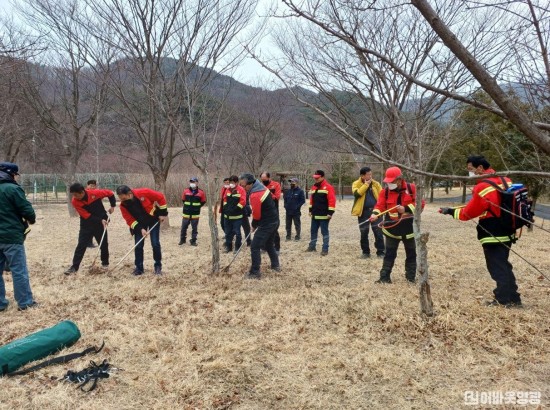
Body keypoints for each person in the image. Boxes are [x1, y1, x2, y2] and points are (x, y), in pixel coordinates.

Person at [439, 155, 522, 308]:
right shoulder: (505, 179)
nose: (469, 172)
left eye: (470, 169)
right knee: (503, 264)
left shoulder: (483, 187)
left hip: (492, 231)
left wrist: (450, 212)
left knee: (497, 267)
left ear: (480, 168)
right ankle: (514, 297)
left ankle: (503, 299)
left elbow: (468, 213)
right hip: (508, 228)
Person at [369, 166, 423, 284]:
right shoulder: (385, 192)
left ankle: (410, 278)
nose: (389, 184)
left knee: (411, 254)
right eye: (388, 182)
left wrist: (406, 209)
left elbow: (421, 204)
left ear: (399, 179)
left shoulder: (412, 188)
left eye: (392, 181)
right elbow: (380, 206)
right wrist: (375, 215)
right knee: (389, 254)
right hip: (392, 229)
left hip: (409, 229)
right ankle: (384, 278)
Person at [0, 162, 38, 311]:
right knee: (18, 270)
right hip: (11, 237)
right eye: (16, 175)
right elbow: (27, 210)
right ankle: (25, 302)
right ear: (10, 174)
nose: (16, 178)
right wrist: (31, 219)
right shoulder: (12, 189)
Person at [64, 183, 116, 275]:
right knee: (81, 245)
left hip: (101, 223)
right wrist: (100, 220)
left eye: (76, 194)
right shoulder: (75, 201)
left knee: (103, 244)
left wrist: (112, 206)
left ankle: (105, 264)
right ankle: (74, 267)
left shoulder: (95, 193)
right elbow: (86, 216)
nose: (74, 197)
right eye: (73, 195)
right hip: (86, 224)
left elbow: (110, 193)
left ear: (82, 192)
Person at [116, 185, 168, 275]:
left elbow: (160, 197)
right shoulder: (123, 206)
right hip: (139, 224)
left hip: (153, 219)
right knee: (138, 245)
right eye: (120, 199)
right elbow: (129, 220)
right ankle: (139, 268)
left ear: (129, 194)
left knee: (155, 243)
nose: (122, 201)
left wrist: (163, 213)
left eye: (124, 198)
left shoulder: (144, 192)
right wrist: (140, 229)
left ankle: (158, 267)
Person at [239, 173, 280, 279]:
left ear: (250, 183)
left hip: (267, 223)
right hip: (274, 220)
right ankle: (275, 266)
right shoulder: (261, 187)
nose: (242, 188)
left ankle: (255, 272)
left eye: (243, 186)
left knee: (255, 246)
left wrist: (254, 224)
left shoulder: (255, 194)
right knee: (269, 244)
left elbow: (256, 213)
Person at [351, 167, 385, 258]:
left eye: (371, 174)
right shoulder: (356, 184)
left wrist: (379, 211)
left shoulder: (376, 184)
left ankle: (381, 252)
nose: (370, 176)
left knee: (378, 232)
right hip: (363, 213)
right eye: (368, 174)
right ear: (362, 175)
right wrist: (365, 185)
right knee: (364, 233)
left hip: (376, 212)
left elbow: (382, 196)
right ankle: (366, 252)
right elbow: (357, 194)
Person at [306, 170, 336, 256]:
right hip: (315, 214)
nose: (316, 179)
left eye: (317, 178)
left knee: (324, 232)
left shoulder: (328, 187)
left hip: (324, 215)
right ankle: (312, 247)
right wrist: (310, 210)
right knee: (313, 231)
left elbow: (332, 201)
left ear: (322, 177)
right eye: (315, 178)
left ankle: (325, 249)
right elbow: (312, 200)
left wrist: (330, 213)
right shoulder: (314, 187)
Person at [179, 177, 206, 246]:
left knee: (194, 228)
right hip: (186, 213)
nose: (192, 183)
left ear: (197, 183)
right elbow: (183, 200)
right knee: (183, 227)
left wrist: (197, 207)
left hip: (195, 214)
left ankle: (193, 241)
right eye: (191, 182)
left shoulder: (201, 192)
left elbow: (203, 202)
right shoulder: (186, 191)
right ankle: (182, 240)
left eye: (193, 182)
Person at [222, 175, 246, 253]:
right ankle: (228, 247)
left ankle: (237, 247)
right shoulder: (227, 189)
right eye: (230, 182)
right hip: (227, 216)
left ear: (237, 182)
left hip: (237, 216)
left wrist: (236, 209)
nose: (231, 184)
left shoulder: (241, 190)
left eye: (232, 182)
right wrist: (225, 206)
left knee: (237, 232)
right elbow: (225, 198)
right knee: (227, 233)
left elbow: (243, 201)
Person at [260, 172, 282, 253]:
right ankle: (263, 247)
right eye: (262, 180)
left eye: (265, 180)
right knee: (262, 228)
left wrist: (267, 192)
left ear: (269, 178)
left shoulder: (276, 185)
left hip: (273, 210)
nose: (263, 181)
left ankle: (277, 248)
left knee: (274, 229)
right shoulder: (260, 185)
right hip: (262, 210)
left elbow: (277, 197)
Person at [86, 179, 98, 248]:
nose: (92, 187)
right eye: (91, 186)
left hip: (94, 213)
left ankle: (90, 242)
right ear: (87, 186)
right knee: (88, 229)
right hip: (87, 214)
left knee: (93, 228)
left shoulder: (96, 193)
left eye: (94, 186)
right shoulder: (85, 193)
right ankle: (87, 243)